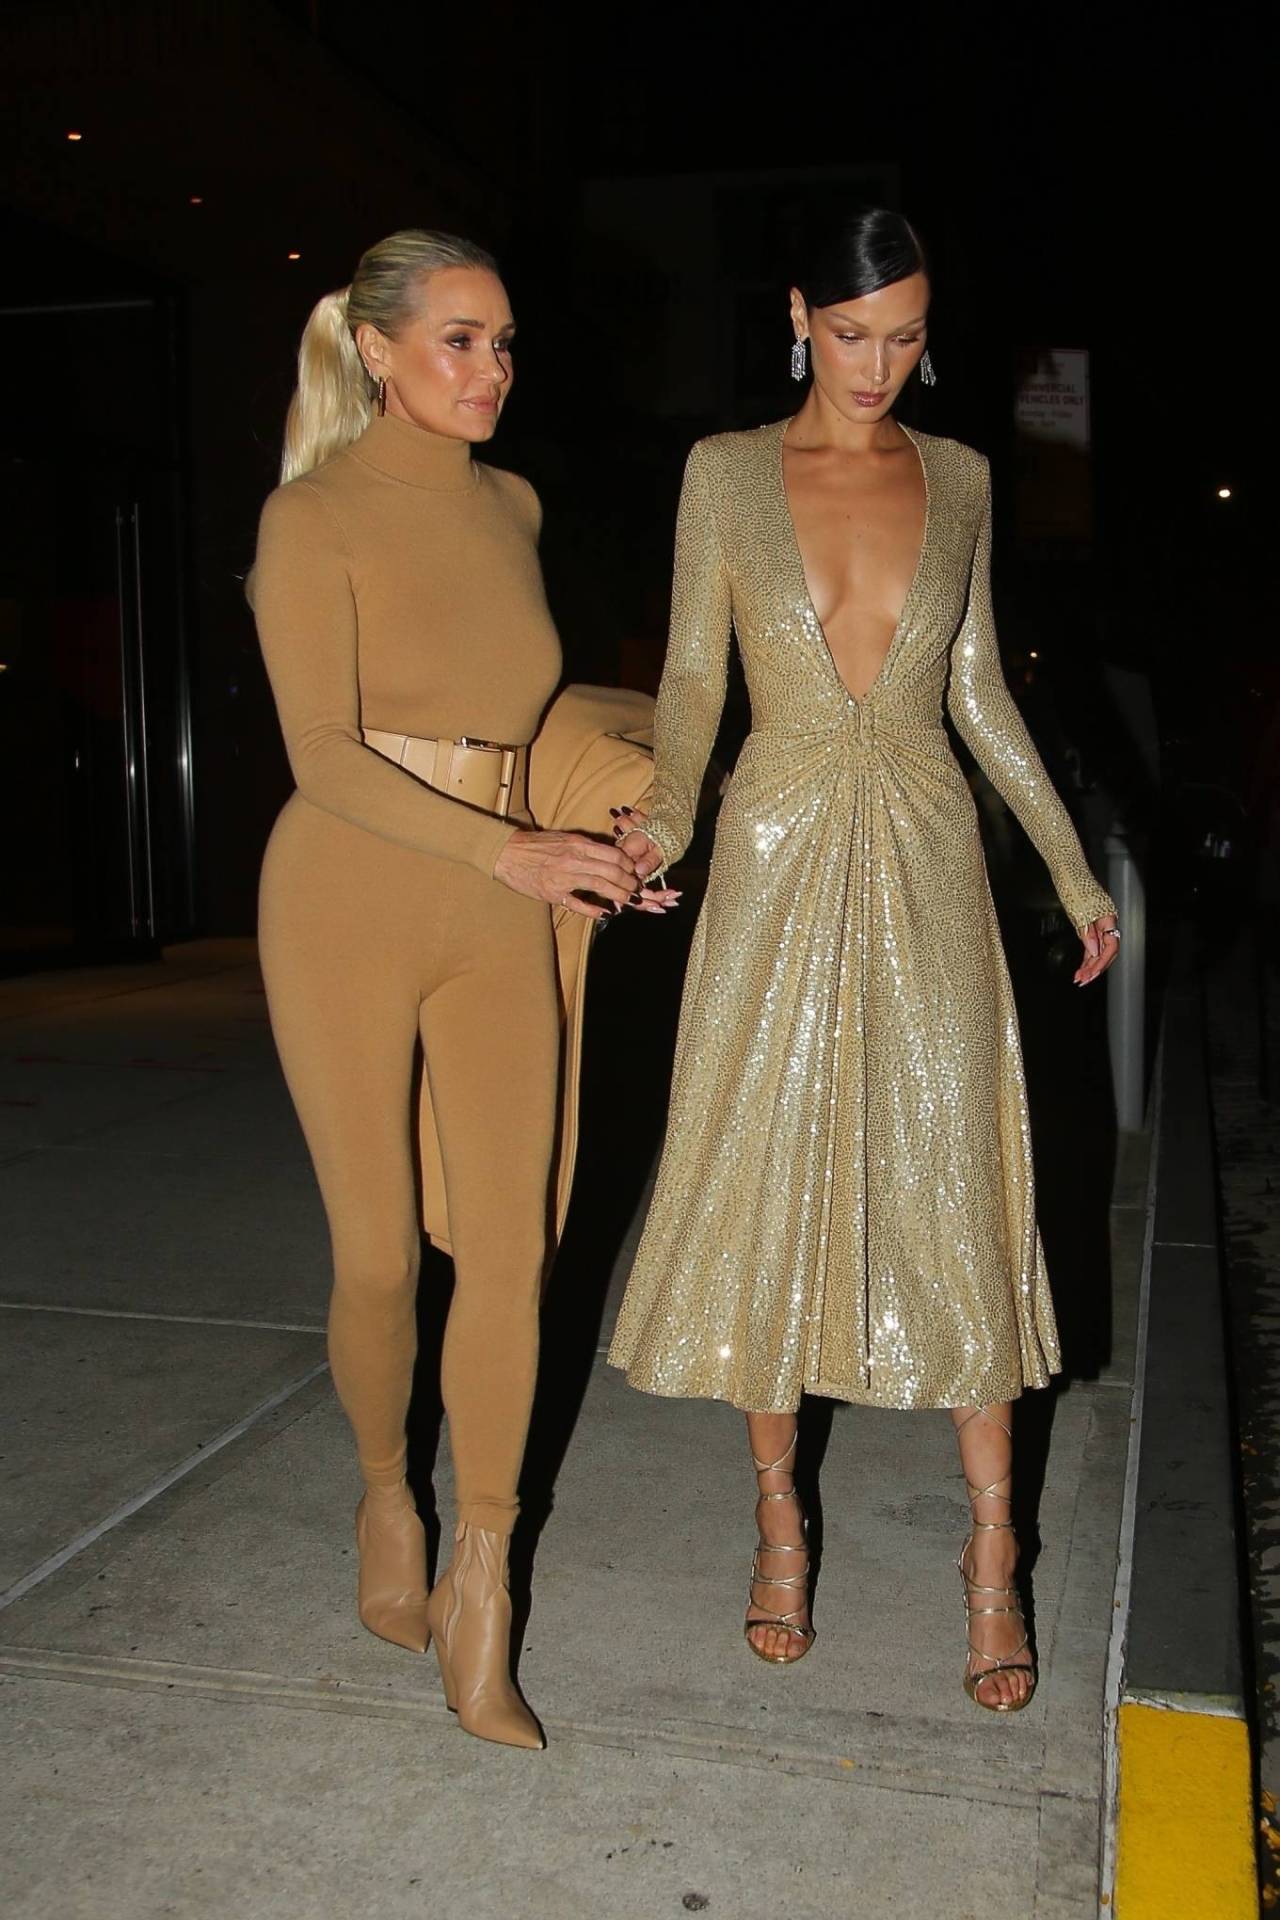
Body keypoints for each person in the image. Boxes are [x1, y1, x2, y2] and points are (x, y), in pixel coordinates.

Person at [607, 209, 1119, 1712]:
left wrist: (1072, 865)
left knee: (956, 1171)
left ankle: (993, 1553)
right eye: (851, 335)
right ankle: (779, 1526)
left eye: (904, 335)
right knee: (765, 1175)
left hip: (928, 851)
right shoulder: (723, 474)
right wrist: (660, 823)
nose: (878, 364)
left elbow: (980, 692)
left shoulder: (960, 479)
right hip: (771, 852)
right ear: (798, 319)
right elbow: (692, 680)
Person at [251, 229, 673, 1749]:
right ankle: (386, 1493)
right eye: (458, 340)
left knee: (512, 1252)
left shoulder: (515, 506)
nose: (491, 370)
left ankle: (483, 1585)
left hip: (504, 901)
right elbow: (320, 754)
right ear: (375, 349)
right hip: (346, 899)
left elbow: (530, 708)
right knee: (379, 1261)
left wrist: (612, 820)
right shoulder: (310, 519)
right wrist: (506, 851)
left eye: (503, 344)